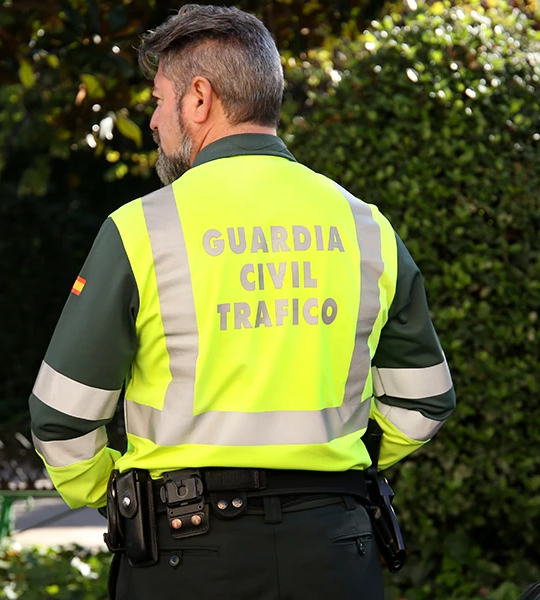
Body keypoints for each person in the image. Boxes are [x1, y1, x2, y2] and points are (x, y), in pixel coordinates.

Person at [27, 4, 456, 599]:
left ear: (199, 99)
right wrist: (334, 466)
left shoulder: (141, 230)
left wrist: (127, 499)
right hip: (336, 548)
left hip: (187, 552)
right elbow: (424, 400)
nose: (154, 120)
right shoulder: (368, 228)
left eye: (159, 100)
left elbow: (61, 420)